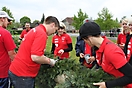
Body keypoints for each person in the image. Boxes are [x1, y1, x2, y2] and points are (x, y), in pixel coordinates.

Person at [9, 16, 60, 88]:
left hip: (17, 70)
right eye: (55, 30)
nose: (54, 33)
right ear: (53, 25)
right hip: (23, 74)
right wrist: (50, 61)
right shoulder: (42, 33)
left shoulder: (35, 30)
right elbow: (36, 57)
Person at [79, 21, 132, 88]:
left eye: (84, 40)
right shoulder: (99, 48)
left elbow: (130, 76)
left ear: (89, 37)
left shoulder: (111, 51)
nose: (85, 42)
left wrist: (107, 85)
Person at [0, 11, 16, 88]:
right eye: (7, 20)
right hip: (3, 72)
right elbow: (12, 54)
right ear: (2, 19)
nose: (8, 23)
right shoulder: (5, 33)